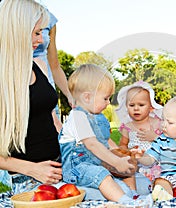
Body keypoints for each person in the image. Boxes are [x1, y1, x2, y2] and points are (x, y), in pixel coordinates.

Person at [0, 0, 62, 206]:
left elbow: (51, 119)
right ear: (17, 31)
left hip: (60, 171)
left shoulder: (39, 66)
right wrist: (31, 169)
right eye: (36, 33)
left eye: (42, 32)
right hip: (26, 183)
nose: (41, 40)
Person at [59, 64, 142, 203]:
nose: (108, 103)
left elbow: (106, 141)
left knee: (123, 168)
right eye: (105, 98)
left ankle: (133, 194)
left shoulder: (99, 117)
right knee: (101, 175)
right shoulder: (77, 117)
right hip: (78, 169)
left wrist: (122, 155)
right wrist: (115, 161)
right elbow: (92, 144)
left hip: (96, 163)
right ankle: (126, 202)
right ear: (87, 97)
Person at [33, 8, 72, 132]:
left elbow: (54, 66)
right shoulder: (6, 12)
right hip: (18, 88)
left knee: (53, 135)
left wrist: (70, 95)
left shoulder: (48, 17)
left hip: (46, 88)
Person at [115, 81, 163, 182]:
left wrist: (155, 137)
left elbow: (167, 142)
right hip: (136, 162)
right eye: (132, 105)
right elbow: (123, 144)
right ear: (126, 107)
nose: (136, 108)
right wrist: (127, 151)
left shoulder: (157, 123)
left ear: (150, 107)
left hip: (154, 161)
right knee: (130, 176)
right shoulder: (127, 126)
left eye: (141, 105)